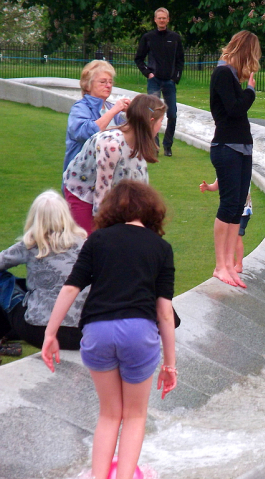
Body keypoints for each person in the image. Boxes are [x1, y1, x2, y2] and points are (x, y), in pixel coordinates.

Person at [42, 180, 177, 479]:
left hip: (96, 331)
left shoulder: (98, 240)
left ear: (111, 209)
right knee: (134, 416)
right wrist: (170, 364)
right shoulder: (161, 249)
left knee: (109, 414)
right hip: (139, 332)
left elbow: (70, 289)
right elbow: (165, 313)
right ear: (152, 212)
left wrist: (50, 334)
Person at [63, 94, 166, 234]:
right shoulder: (111, 145)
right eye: (161, 121)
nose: (161, 127)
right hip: (83, 192)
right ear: (151, 121)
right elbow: (101, 196)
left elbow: (141, 186)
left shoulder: (139, 143)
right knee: (88, 242)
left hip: (111, 195)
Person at [0, 190, 88, 350]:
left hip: (38, 331)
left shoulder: (31, 244)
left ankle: (4, 331)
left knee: (4, 280)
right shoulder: (86, 245)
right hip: (82, 333)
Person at [209, 30, 261, 288]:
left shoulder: (229, 76)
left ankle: (229, 264)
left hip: (241, 147)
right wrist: (250, 91)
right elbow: (234, 109)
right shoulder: (222, 73)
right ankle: (221, 265)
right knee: (228, 206)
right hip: (227, 146)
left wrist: (245, 90)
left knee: (237, 208)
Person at [63, 60, 130, 176]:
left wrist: (131, 114)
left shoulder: (111, 107)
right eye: (103, 82)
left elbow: (128, 138)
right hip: (82, 178)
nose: (108, 85)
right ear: (88, 85)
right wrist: (114, 111)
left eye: (110, 82)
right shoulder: (80, 108)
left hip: (109, 176)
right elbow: (84, 133)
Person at [135, 7, 184, 157]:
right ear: (155, 20)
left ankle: (167, 146)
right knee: (153, 114)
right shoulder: (148, 37)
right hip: (154, 80)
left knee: (172, 114)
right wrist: (148, 73)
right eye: (159, 18)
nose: (162, 20)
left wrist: (175, 77)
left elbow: (180, 60)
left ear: (168, 20)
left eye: (164, 18)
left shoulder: (175, 38)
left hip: (169, 81)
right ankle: (154, 146)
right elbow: (138, 58)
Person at [200, 179, 253, 273]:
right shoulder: (227, 170)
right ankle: (231, 263)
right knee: (226, 238)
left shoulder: (241, 170)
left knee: (237, 237)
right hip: (230, 211)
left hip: (242, 211)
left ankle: (239, 264)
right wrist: (208, 187)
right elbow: (216, 185)